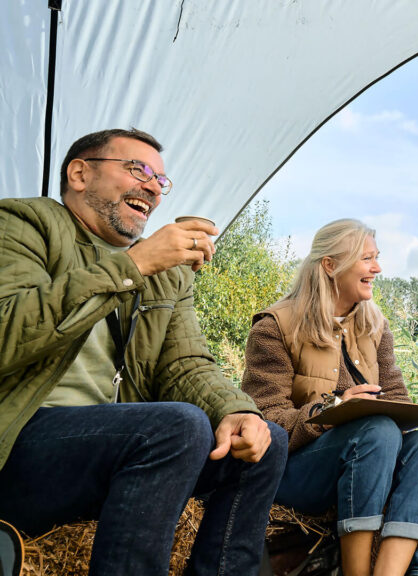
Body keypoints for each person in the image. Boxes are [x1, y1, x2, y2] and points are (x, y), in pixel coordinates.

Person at [0, 128, 288, 575]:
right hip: (19, 444)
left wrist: (236, 409)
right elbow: (8, 332)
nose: (154, 186)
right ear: (79, 174)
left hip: (111, 449)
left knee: (263, 441)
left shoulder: (167, 275)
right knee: (176, 425)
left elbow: (186, 364)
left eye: (161, 180)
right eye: (138, 169)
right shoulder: (23, 224)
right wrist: (133, 265)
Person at [241, 219, 418, 576]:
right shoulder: (275, 327)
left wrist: (410, 415)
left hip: (368, 462)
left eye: (377, 258)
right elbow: (266, 421)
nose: (378, 268)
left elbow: (396, 395)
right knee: (378, 430)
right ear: (330, 265)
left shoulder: (375, 326)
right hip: (299, 472)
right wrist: (334, 408)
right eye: (367, 258)